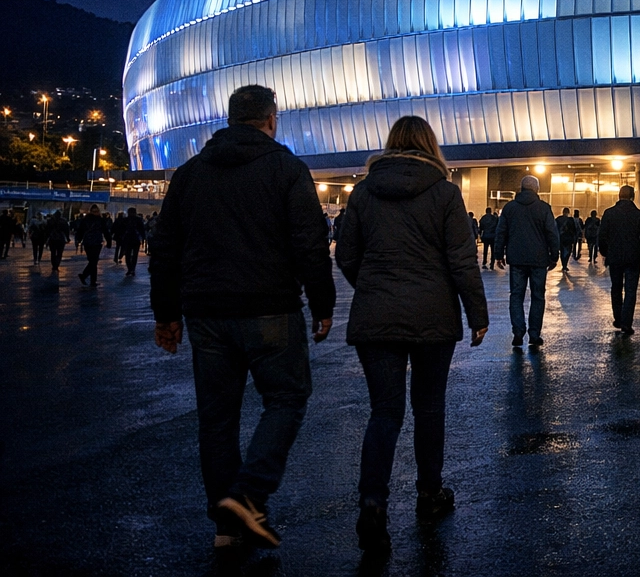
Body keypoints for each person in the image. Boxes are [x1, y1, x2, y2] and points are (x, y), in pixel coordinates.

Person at [149, 84, 336, 550]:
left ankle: (226, 527)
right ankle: (248, 494)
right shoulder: (288, 169)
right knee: (288, 397)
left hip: (207, 314)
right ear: (271, 119)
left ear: (230, 119)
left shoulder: (190, 174)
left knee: (216, 418)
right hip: (269, 307)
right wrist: (323, 303)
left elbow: (165, 250)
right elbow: (309, 245)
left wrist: (166, 314)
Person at [335, 115, 489, 553]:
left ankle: (372, 503)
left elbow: (347, 255)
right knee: (429, 407)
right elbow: (461, 259)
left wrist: (372, 289)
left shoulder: (364, 192)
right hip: (432, 317)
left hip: (376, 317)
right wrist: (477, 313)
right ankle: (429, 494)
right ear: (430, 145)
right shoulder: (444, 193)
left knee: (384, 412)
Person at [495, 175, 561, 349]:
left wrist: (498, 254)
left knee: (516, 295)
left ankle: (518, 331)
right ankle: (534, 334)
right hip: (539, 259)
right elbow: (552, 233)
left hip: (516, 259)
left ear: (521, 188)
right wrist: (554, 255)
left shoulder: (509, 208)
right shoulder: (544, 208)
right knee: (538, 296)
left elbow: (501, 232)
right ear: (536, 189)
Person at [598, 186, 640, 336]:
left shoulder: (609, 213)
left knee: (616, 287)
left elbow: (602, 236)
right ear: (632, 197)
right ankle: (627, 322)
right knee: (631, 290)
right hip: (633, 257)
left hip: (615, 257)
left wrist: (605, 252)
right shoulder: (639, 215)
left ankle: (618, 318)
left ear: (619, 196)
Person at [76, 204, 109, 286]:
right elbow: (105, 231)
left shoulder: (85, 220)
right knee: (94, 261)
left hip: (88, 242)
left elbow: (80, 231)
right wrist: (109, 241)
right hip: (97, 242)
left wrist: (78, 240)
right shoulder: (100, 220)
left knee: (92, 261)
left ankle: (91, 280)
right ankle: (85, 276)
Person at [116, 207, 146, 276]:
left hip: (127, 239)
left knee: (128, 255)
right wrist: (143, 238)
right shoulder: (138, 220)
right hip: (136, 239)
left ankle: (129, 269)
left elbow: (121, 229)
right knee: (135, 256)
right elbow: (142, 230)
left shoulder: (125, 220)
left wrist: (120, 237)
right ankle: (132, 269)